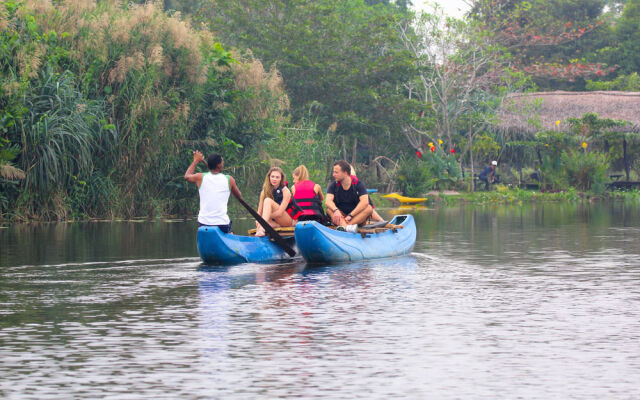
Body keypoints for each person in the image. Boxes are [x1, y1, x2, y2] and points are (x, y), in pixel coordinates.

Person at [184, 151, 242, 233]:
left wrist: (196, 161)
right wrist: (231, 189)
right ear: (219, 165)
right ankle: (229, 234)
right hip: (222, 224)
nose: (223, 163)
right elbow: (239, 196)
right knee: (229, 229)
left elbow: (187, 176)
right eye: (222, 162)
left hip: (203, 224)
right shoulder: (229, 179)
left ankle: (228, 234)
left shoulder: (200, 177)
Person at [325, 160, 373, 230]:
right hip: (341, 216)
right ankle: (347, 227)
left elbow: (365, 202)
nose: (333, 175)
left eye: (336, 172)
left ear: (345, 173)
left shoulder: (358, 184)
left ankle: (345, 227)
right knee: (329, 209)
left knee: (369, 208)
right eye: (333, 172)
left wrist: (351, 215)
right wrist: (336, 210)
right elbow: (328, 201)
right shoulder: (333, 185)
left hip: (355, 216)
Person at [255, 166, 295, 236]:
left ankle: (262, 229)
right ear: (269, 177)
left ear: (281, 179)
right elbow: (259, 211)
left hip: (286, 220)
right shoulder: (264, 192)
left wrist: (264, 218)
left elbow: (279, 213)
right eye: (272, 176)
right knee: (259, 223)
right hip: (273, 220)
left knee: (267, 200)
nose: (274, 179)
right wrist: (258, 220)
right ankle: (275, 226)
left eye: (277, 177)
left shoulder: (285, 191)